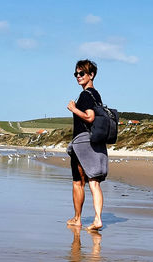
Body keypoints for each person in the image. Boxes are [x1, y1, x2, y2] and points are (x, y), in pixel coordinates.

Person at [65, 59, 108, 231]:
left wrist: (73, 109)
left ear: (91, 75)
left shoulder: (85, 95)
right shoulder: (96, 95)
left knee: (78, 182)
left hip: (83, 143)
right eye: (76, 73)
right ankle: (97, 219)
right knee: (94, 181)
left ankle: (77, 218)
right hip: (95, 141)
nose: (78, 76)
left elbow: (89, 117)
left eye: (81, 73)